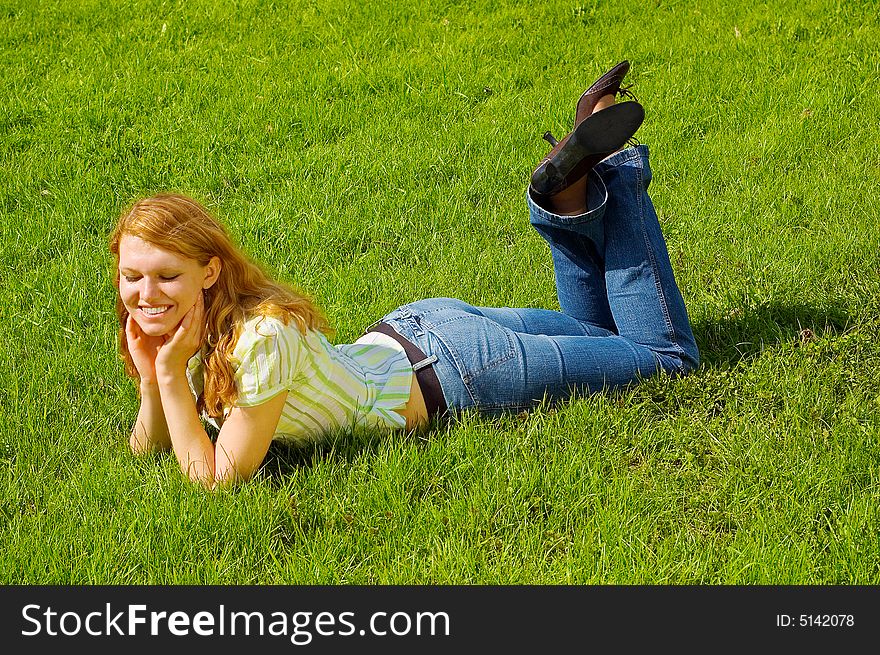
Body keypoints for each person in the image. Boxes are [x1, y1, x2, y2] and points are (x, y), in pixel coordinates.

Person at [110, 61, 699, 488]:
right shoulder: (209, 323)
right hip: (421, 331)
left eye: (165, 276)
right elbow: (152, 450)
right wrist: (151, 379)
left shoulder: (259, 339)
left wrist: (168, 375)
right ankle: (568, 189)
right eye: (132, 277)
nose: (145, 294)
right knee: (604, 342)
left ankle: (615, 168)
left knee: (664, 359)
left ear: (210, 271)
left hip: (464, 371)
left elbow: (214, 482)